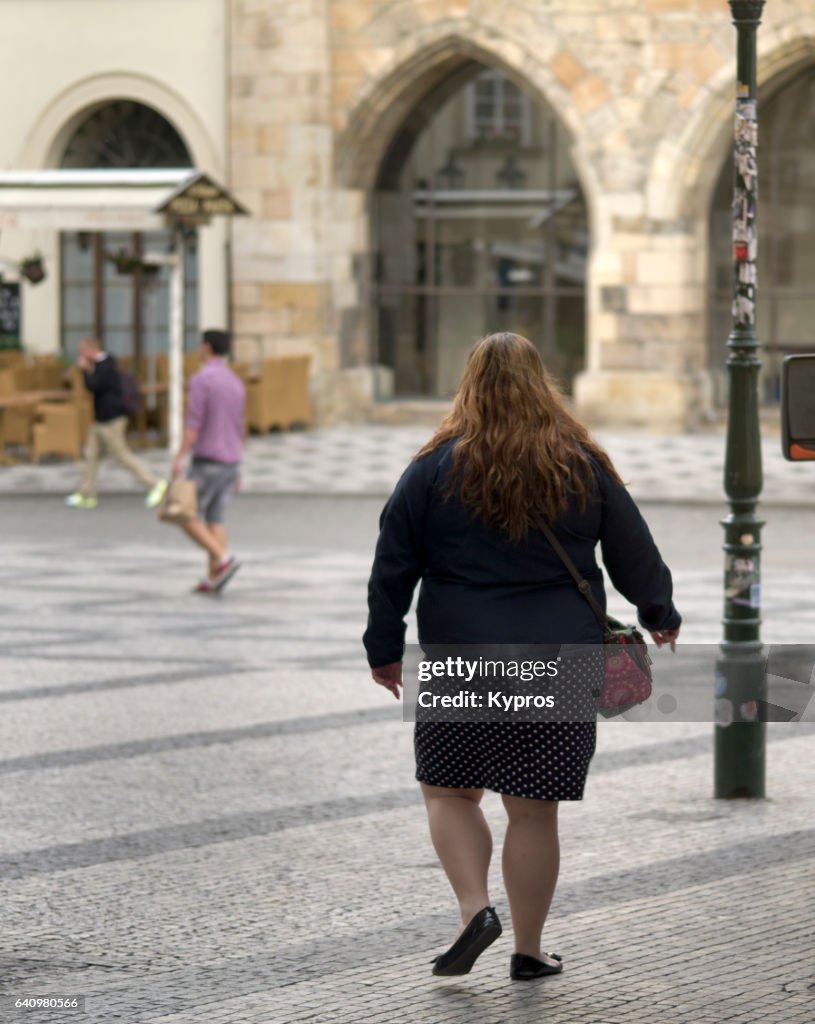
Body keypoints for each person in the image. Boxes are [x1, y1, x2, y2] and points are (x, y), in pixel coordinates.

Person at [363, 332, 680, 981]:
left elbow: (391, 566)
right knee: (532, 808)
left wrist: (383, 648)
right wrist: (657, 613)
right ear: (543, 384)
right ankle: (528, 951)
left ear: (468, 385)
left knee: (449, 792)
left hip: (461, 651)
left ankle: (474, 910)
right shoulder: (578, 463)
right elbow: (631, 549)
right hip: (557, 653)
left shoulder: (432, 467)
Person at [171, 329, 245, 594]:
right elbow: (239, 425)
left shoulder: (202, 380)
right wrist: (239, 466)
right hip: (231, 460)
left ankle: (223, 559)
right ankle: (213, 577)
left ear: (207, 347)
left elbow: (194, 423)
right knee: (215, 519)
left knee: (182, 513)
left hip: (207, 459)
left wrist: (179, 456)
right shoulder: (235, 381)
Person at [65, 337, 167, 510]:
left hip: (111, 419)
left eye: (82, 352)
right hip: (101, 419)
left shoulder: (106, 365)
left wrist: (83, 370)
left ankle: (154, 483)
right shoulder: (102, 363)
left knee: (121, 456)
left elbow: (93, 385)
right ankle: (86, 493)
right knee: (91, 456)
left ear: (92, 350)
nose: (80, 356)